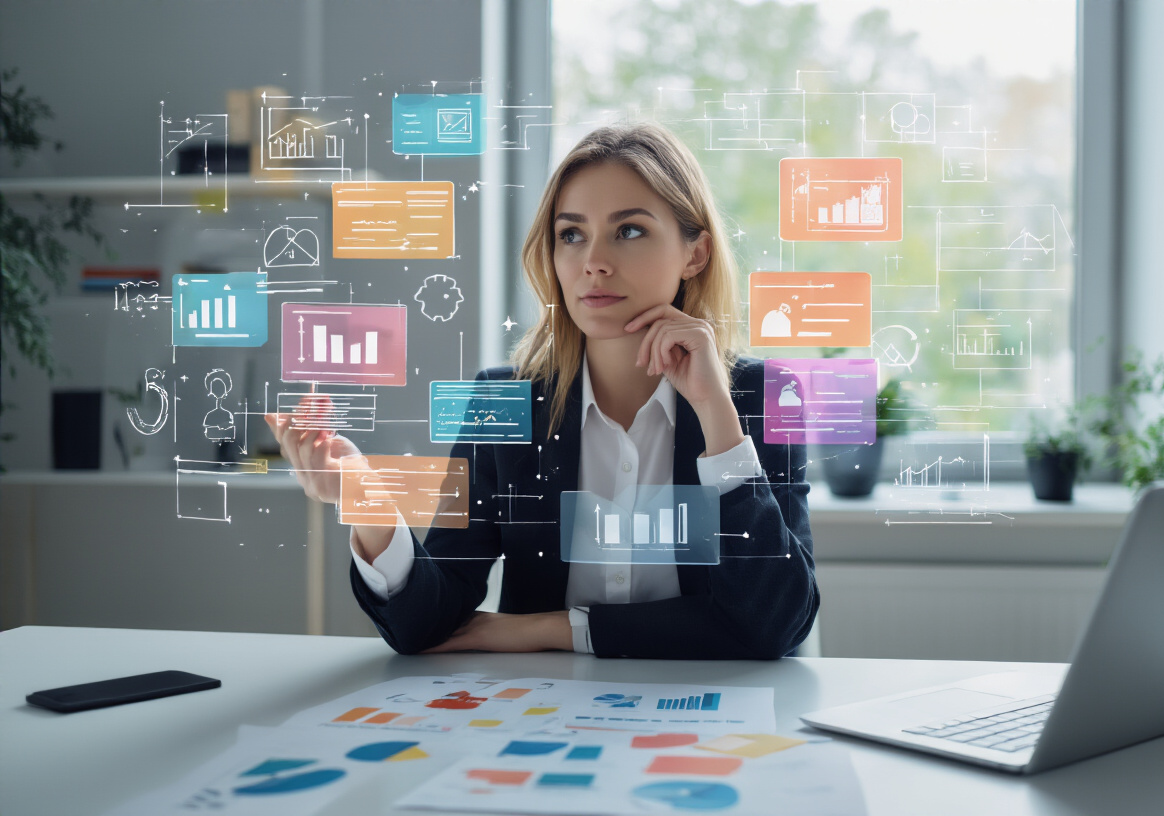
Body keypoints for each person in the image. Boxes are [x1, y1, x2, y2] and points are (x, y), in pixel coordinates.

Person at [266, 123, 818, 659]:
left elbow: (773, 624)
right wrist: (368, 502)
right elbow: (426, 626)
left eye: (629, 230)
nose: (593, 262)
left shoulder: (762, 397)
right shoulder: (504, 404)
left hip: (710, 726)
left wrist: (554, 629)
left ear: (694, 254)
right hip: (546, 717)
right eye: (571, 234)